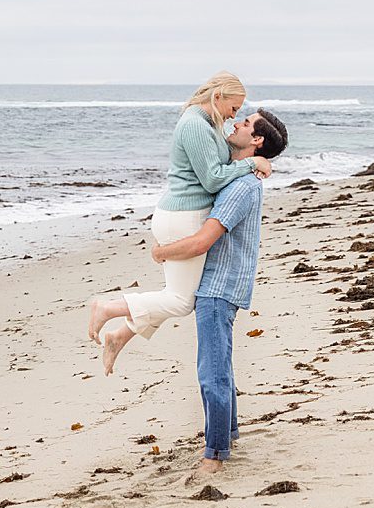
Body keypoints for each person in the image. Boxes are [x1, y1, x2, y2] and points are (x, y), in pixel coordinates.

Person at [88, 71, 272, 376]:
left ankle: (120, 335)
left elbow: (222, 162)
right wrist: (252, 162)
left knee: (175, 294)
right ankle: (109, 309)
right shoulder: (195, 125)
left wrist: (250, 159)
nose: (233, 116)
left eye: (239, 113)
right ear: (217, 98)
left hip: (182, 214)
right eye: (234, 108)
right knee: (180, 301)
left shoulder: (209, 125)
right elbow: (212, 179)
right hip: (183, 217)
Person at [150, 108, 288, 475]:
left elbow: (202, 242)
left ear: (256, 139)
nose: (236, 123)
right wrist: (257, 161)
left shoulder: (241, 187)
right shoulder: (243, 176)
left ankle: (214, 455)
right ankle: (228, 434)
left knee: (212, 373)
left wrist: (162, 252)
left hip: (219, 286)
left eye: (245, 123)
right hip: (223, 283)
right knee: (220, 365)